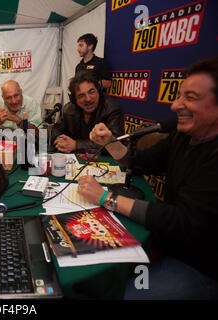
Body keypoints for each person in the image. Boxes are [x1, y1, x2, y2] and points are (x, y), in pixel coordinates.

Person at [77, 56, 218, 299]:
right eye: (179, 96)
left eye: (191, 98)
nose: (175, 106)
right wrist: (110, 143)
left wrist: (105, 198)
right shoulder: (183, 135)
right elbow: (141, 162)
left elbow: (181, 221)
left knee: (127, 294)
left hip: (200, 264)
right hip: (169, 242)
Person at [52, 71, 123, 154]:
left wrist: (76, 145)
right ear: (74, 100)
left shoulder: (112, 108)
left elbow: (115, 144)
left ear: (99, 91)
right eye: (81, 95)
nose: (88, 99)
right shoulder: (69, 109)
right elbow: (56, 129)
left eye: (91, 91)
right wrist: (59, 139)